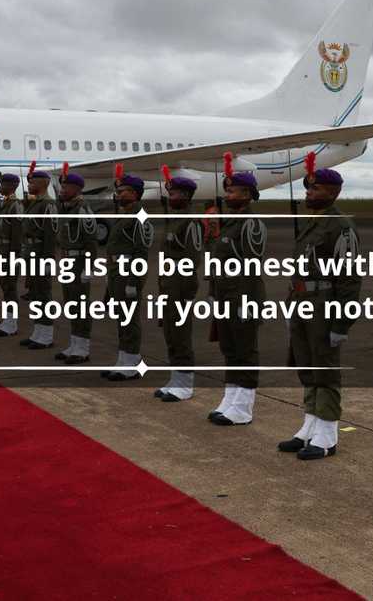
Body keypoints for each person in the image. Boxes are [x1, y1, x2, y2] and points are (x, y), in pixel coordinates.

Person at [278, 154, 361, 459]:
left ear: (334, 193)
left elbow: (349, 279)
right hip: (302, 303)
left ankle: (327, 434)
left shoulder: (339, 226)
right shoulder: (314, 223)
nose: (309, 193)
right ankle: (310, 425)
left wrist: (341, 323)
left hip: (324, 304)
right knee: (307, 366)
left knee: (324, 369)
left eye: (317, 189)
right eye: (309, 188)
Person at [207, 154, 266, 426]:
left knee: (244, 349)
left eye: (232, 191)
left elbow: (251, 268)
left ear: (247, 194)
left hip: (242, 296)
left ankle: (243, 406)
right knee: (230, 348)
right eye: (227, 191)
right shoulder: (228, 223)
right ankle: (230, 398)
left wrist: (245, 301)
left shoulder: (250, 225)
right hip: (225, 296)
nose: (228, 195)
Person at [155, 166, 203, 401]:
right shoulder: (174, 220)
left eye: (173, 195)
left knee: (181, 334)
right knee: (171, 333)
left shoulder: (189, 222)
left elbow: (193, 259)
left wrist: (183, 293)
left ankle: (185, 384)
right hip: (169, 285)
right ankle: (175, 379)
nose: (170, 198)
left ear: (184, 196)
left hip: (181, 286)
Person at [101, 165, 153, 381]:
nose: (119, 194)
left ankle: (132, 364)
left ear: (135, 193)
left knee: (129, 320)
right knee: (122, 319)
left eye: (123, 191)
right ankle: (124, 360)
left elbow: (140, 253)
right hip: (117, 273)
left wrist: (133, 281)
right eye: (119, 191)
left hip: (129, 274)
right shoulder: (124, 215)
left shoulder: (139, 218)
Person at [54, 167, 97, 364]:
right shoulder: (66, 208)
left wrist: (88, 268)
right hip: (67, 262)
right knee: (71, 305)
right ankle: (74, 343)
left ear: (77, 189)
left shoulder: (82, 210)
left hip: (79, 263)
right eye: (61, 186)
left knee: (80, 306)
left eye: (66, 187)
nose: (62, 190)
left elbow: (90, 242)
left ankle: (83, 349)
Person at [20, 165, 59, 349]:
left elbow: (51, 235)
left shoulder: (48, 204)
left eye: (32, 182)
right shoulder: (35, 203)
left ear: (43, 184)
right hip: (32, 253)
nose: (29, 185)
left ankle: (46, 335)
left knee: (43, 295)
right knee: (35, 294)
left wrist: (48, 260)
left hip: (41, 255)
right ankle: (38, 332)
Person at [0, 172, 24, 337]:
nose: (1, 187)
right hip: (1, 253)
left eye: (4, 185)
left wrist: (13, 256)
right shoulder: (5, 204)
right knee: (5, 287)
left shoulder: (15, 206)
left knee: (10, 288)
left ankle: (12, 324)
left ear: (12, 187)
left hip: (9, 254)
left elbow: (17, 235)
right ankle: (7, 320)